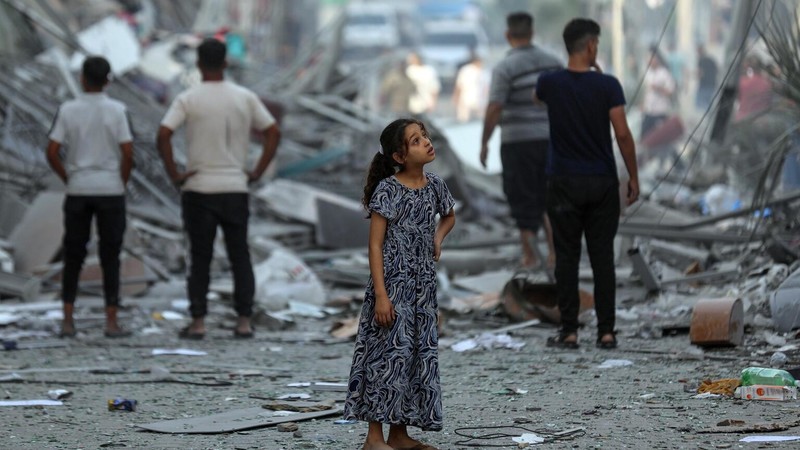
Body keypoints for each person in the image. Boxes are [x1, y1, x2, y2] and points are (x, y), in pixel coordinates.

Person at [157, 38, 280, 340]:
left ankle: (198, 323)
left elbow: (163, 134)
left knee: (200, 257)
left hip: (198, 188)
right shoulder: (245, 97)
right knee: (240, 255)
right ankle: (243, 322)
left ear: (198, 65)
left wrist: (175, 173)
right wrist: (258, 169)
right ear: (226, 63)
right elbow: (272, 132)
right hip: (235, 187)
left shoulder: (188, 98)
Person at [344, 118, 456, 450]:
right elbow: (375, 245)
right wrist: (381, 295)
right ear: (399, 156)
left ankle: (400, 434)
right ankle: (374, 438)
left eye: (425, 136)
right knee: (383, 358)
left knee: (412, 358)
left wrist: (438, 238)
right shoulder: (388, 190)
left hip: (423, 290)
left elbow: (449, 216)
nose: (426, 142)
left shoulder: (435, 185)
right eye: (416, 140)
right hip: (392, 287)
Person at [535, 18, 639, 350]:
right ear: (592, 46)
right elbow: (622, 134)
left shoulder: (549, 83)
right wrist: (633, 176)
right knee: (602, 258)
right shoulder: (608, 85)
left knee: (566, 257)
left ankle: (569, 331)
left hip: (563, 182)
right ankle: (606, 332)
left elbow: (541, 101)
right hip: (602, 182)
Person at [46, 56, 134, 338]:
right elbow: (128, 152)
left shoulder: (69, 109)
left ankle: (68, 320)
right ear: (108, 80)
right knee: (111, 255)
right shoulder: (117, 110)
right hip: (110, 190)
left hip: (79, 189)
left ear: (83, 78)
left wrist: (68, 176)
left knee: (74, 255)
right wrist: (121, 180)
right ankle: (110, 321)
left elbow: (52, 150)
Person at [480, 12, 560, 269]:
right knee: (551, 197)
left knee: (523, 197)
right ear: (532, 33)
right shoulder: (553, 63)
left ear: (507, 35)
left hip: (518, 144)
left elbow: (494, 107)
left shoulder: (505, 68)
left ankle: (530, 256)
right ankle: (555, 254)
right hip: (551, 141)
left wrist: (485, 142)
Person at [640, 47, 675, 139]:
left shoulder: (664, 73)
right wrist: (643, 104)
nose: (649, 61)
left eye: (651, 58)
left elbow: (670, 92)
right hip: (649, 111)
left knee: (660, 137)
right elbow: (647, 92)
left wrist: (658, 89)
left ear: (657, 59)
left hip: (660, 111)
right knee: (644, 135)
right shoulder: (648, 73)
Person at [452, 53, 488, 122]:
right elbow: (459, 85)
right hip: (470, 100)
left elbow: (459, 85)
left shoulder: (482, 71)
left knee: (465, 120)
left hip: (473, 100)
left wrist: (456, 97)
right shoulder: (467, 70)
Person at [695, 44, 718, 111]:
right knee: (708, 104)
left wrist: (693, 75)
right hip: (712, 85)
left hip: (704, 86)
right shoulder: (711, 59)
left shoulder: (701, 61)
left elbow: (700, 74)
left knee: (700, 105)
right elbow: (717, 70)